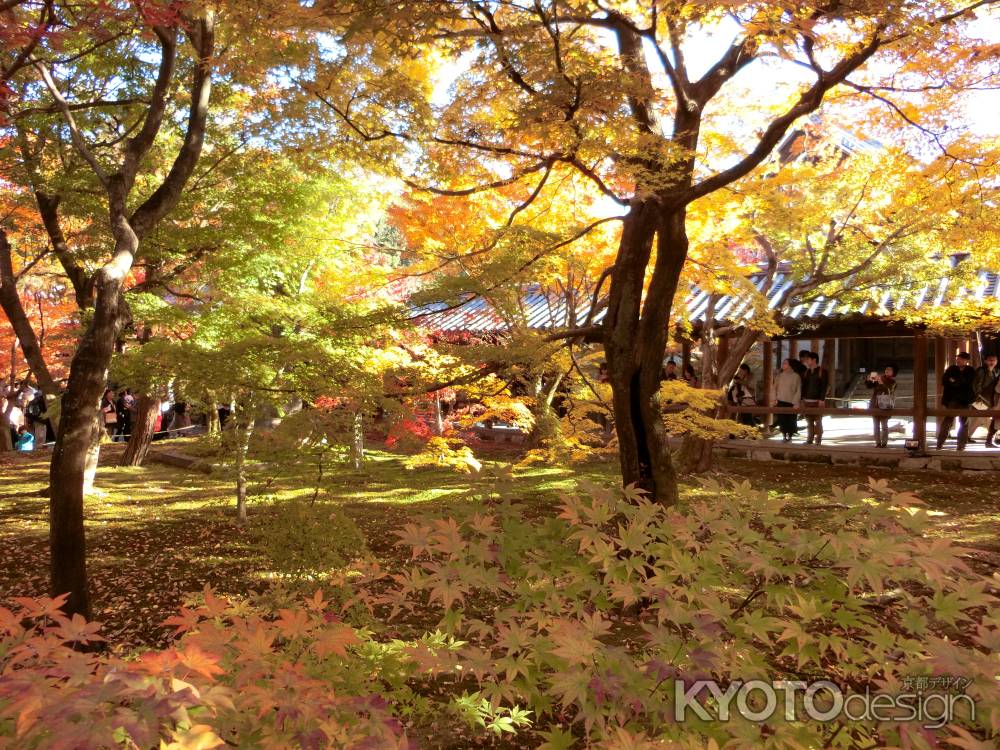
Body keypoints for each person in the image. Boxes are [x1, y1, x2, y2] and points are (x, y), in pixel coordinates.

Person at [937, 352, 976, 450]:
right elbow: (945, 380)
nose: (958, 360)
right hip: (952, 398)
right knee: (948, 421)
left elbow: (968, 383)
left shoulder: (970, 370)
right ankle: (940, 443)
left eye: (961, 359)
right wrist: (955, 382)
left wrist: (955, 381)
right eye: (958, 358)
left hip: (965, 399)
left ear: (966, 361)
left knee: (964, 422)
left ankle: (961, 445)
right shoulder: (952, 368)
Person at [800, 351, 829, 445]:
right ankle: (809, 439)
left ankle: (818, 440)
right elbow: (804, 386)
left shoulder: (822, 371)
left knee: (818, 421)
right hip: (807, 400)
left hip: (817, 400)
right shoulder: (806, 372)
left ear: (814, 360)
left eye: (808, 359)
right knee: (809, 421)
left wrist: (822, 399)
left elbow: (824, 386)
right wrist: (802, 398)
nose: (806, 361)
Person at [865, 364, 897, 448]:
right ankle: (877, 443)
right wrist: (868, 379)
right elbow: (869, 386)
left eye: (890, 370)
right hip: (875, 404)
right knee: (875, 425)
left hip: (885, 405)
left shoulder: (893, 382)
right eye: (886, 369)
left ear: (893, 372)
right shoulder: (879, 378)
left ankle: (884, 443)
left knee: (884, 426)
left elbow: (888, 390)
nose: (887, 371)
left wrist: (881, 382)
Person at [771, 358, 801, 442]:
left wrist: (796, 402)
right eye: (783, 363)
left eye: (785, 363)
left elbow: (798, 390)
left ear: (790, 365)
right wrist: (774, 399)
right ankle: (784, 435)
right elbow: (774, 388)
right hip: (781, 400)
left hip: (791, 401)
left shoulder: (796, 376)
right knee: (782, 419)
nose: (783, 365)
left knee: (791, 420)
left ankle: (790, 436)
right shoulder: (779, 376)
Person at [971, 354, 999, 443]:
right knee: (985, 417)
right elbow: (976, 384)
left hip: (990, 398)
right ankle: (992, 439)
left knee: (979, 418)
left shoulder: (997, 371)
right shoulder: (981, 371)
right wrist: (978, 395)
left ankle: (967, 435)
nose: (992, 362)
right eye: (990, 360)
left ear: (997, 362)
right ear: (985, 361)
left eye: (994, 360)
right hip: (980, 398)